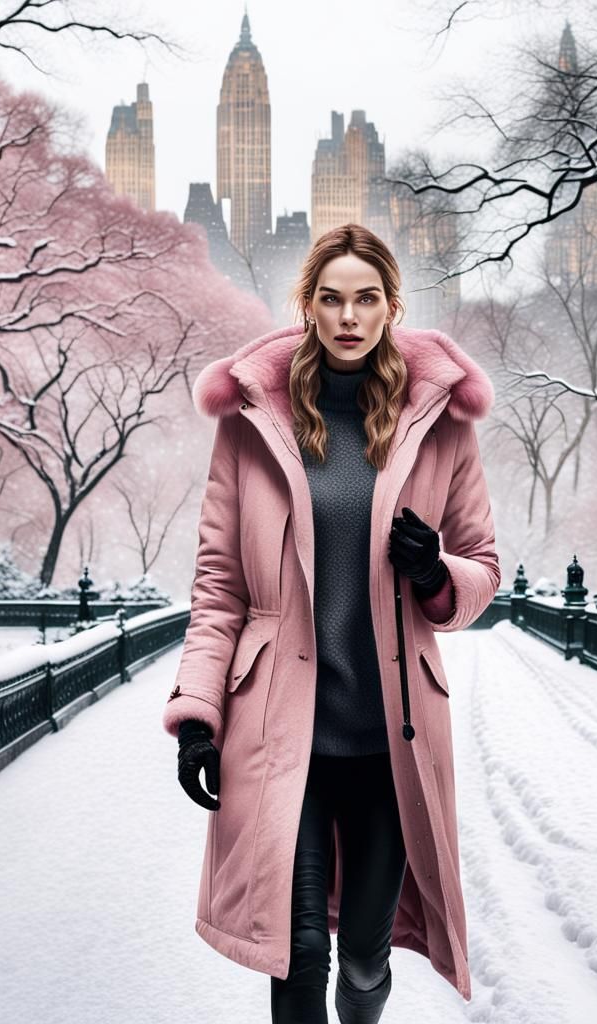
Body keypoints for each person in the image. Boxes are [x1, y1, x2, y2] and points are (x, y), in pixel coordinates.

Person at [163, 223, 500, 1023]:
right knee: (298, 950)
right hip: (281, 735)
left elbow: (484, 566)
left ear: (391, 307)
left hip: (392, 742)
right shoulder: (252, 421)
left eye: (366, 299)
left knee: (363, 958)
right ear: (308, 306)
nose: (349, 316)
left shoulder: (441, 422)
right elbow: (219, 589)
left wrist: (435, 573)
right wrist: (198, 716)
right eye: (332, 298)